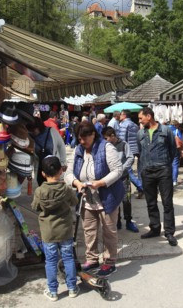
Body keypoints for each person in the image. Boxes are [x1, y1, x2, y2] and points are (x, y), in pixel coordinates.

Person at [66, 121, 124, 277]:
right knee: (89, 231)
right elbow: (68, 173)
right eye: (80, 138)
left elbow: (118, 170)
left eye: (85, 138)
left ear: (93, 135)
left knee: (109, 231)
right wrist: (76, 182)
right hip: (87, 198)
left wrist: (100, 183)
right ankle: (92, 259)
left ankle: (110, 261)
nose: (83, 142)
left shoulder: (106, 147)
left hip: (108, 196)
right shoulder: (78, 150)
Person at [31, 156, 79, 301]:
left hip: (48, 232)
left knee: (51, 261)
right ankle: (72, 288)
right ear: (60, 171)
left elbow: (35, 207)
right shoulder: (66, 189)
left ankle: (53, 292)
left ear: (43, 174)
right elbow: (74, 202)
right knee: (68, 258)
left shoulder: (40, 191)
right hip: (65, 230)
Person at [137, 107, 178, 246]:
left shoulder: (166, 131)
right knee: (151, 203)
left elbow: (173, 150)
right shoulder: (140, 133)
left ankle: (169, 232)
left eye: (141, 118)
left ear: (149, 116)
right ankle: (154, 228)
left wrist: (165, 165)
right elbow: (140, 153)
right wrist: (141, 171)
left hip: (163, 171)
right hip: (147, 172)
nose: (140, 121)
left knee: (167, 203)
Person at [102, 126, 139, 233]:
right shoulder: (104, 146)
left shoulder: (123, 144)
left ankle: (128, 221)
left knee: (126, 200)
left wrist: (121, 169)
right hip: (110, 179)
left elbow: (130, 158)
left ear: (112, 136)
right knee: (113, 200)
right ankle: (117, 221)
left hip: (123, 177)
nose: (105, 140)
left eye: (106, 138)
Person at [27, 118, 68, 186]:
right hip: (40, 168)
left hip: (54, 166)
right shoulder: (30, 136)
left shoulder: (51, 131)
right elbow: (30, 154)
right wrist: (28, 171)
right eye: (30, 130)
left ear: (39, 127)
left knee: (55, 186)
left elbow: (61, 146)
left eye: (33, 129)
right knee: (43, 187)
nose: (32, 132)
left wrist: (63, 162)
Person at [117, 110, 144, 198]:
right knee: (139, 170)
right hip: (135, 149)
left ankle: (141, 187)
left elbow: (122, 139)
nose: (119, 116)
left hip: (127, 150)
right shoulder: (135, 125)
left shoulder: (123, 125)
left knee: (127, 170)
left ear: (124, 115)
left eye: (120, 114)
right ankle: (141, 187)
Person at [168, 120, 183, 186]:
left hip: (166, 149)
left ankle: (167, 179)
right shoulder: (177, 131)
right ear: (176, 125)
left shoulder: (165, 129)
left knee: (167, 164)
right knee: (175, 164)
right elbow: (181, 140)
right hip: (175, 149)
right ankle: (174, 180)